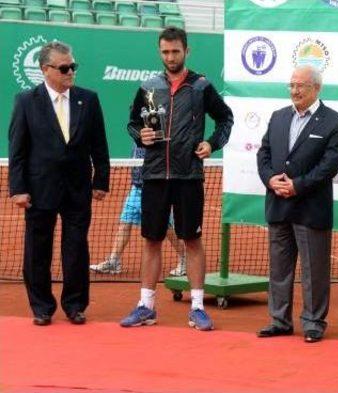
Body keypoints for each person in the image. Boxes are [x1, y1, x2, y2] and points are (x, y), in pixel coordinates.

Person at [120, 26, 234, 331]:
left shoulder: (201, 86)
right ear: (160, 52)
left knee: (192, 240)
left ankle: (197, 307)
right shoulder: (148, 86)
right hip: (155, 174)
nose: (170, 57)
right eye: (165, 52)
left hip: (188, 176)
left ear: (186, 51)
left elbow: (225, 118)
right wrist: (139, 134)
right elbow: (132, 123)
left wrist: (212, 143)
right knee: (151, 240)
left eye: (175, 51)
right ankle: (146, 306)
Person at [8, 41, 110, 326]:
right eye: (64, 68)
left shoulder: (88, 99)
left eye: (72, 67)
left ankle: (75, 304)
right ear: (46, 70)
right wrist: (18, 188)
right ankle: (41, 307)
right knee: (38, 248)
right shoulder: (26, 101)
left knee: (77, 247)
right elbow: (17, 149)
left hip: (78, 188)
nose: (70, 72)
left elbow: (99, 145)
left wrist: (101, 179)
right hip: (40, 188)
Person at [256, 66, 338, 343]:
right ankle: (279, 320)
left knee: (314, 271)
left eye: (301, 86)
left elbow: (329, 165)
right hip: (278, 204)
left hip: (311, 207)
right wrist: (271, 179)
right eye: (292, 85)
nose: (295, 90)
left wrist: (298, 185)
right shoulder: (278, 117)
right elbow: (264, 153)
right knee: (279, 269)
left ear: (316, 88)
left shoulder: (335, 122)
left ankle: (313, 322)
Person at [90, 145, 187, 276]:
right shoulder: (136, 136)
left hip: (154, 190)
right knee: (125, 224)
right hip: (136, 189)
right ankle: (114, 261)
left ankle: (185, 259)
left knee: (167, 228)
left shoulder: (157, 137)